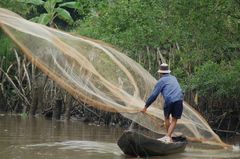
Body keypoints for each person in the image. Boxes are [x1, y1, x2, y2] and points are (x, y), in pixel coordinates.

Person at [140, 63, 183, 143]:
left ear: (160, 73)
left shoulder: (161, 81)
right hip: (179, 99)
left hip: (169, 100)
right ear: (168, 72)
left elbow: (154, 95)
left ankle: (168, 137)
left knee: (166, 118)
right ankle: (169, 137)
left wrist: (145, 107)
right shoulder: (173, 78)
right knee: (174, 120)